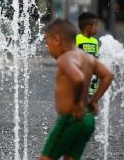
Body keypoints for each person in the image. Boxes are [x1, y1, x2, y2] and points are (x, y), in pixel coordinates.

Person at [41, 19, 114, 160]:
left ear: (57, 40)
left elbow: (78, 78)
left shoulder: (65, 58)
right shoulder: (87, 58)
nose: (48, 49)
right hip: (87, 120)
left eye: (47, 43)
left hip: (70, 119)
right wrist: (93, 101)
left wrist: (77, 102)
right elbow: (108, 75)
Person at [76, 12, 99, 95]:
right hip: (80, 75)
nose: (97, 29)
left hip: (92, 77)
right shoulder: (77, 39)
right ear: (88, 27)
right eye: (95, 26)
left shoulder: (95, 41)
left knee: (91, 100)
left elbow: (96, 57)